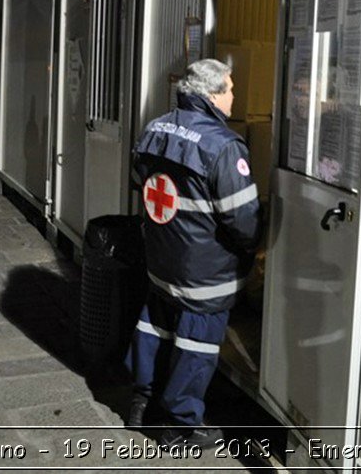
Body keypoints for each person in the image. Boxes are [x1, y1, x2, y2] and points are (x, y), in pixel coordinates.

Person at [127, 58, 262, 448]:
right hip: (204, 269)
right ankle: (181, 425)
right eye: (231, 89)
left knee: (154, 326)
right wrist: (251, 251)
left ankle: (142, 401)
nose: (234, 95)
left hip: (161, 259)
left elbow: (143, 181)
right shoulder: (224, 146)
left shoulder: (155, 127)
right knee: (196, 343)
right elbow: (245, 220)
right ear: (213, 94)